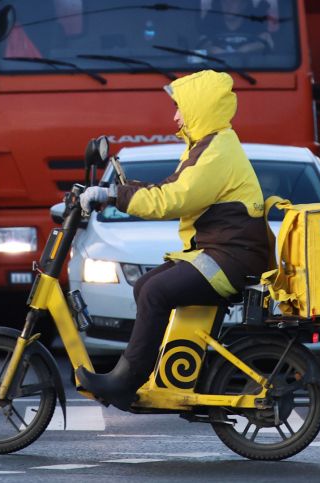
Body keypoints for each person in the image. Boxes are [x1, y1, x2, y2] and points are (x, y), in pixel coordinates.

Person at [75, 70, 271, 410]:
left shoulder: (217, 152)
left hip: (230, 258)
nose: (176, 116)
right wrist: (116, 191)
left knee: (154, 290)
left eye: (181, 107)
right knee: (146, 285)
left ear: (200, 108)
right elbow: (170, 187)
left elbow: (173, 199)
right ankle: (152, 374)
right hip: (221, 253)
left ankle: (126, 380)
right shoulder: (207, 146)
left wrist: (113, 196)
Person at [198, 0, 274, 54]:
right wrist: (213, 50)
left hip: (252, 69)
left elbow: (265, 42)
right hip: (218, 70)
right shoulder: (212, 18)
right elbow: (202, 43)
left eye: (233, 1)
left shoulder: (255, 20)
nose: (228, 5)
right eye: (224, 1)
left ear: (244, 5)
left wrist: (244, 50)